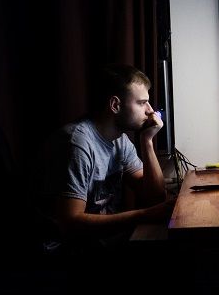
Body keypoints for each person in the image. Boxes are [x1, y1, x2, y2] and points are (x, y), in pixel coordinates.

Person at [40, 64, 175, 256]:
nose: (150, 111)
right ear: (115, 105)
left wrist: (147, 141)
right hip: (65, 253)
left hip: (100, 244)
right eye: (141, 102)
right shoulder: (77, 143)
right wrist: (144, 215)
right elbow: (70, 223)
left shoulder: (120, 140)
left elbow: (154, 197)